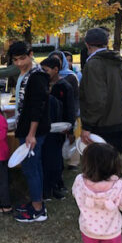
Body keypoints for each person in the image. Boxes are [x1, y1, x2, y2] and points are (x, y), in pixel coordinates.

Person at [8, 41, 50, 222]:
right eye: (15, 60)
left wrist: (31, 134)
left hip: (33, 130)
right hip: (24, 127)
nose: (18, 63)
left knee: (31, 168)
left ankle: (38, 210)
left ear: (31, 54)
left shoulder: (38, 76)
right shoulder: (25, 73)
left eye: (22, 59)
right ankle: (36, 201)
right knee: (33, 167)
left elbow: (37, 107)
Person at [80, 28, 122, 154]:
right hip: (121, 121)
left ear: (87, 44)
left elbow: (96, 99)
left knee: (102, 167)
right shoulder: (118, 61)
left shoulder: (94, 64)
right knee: (113, 163)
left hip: (103, 125)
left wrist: (87, 126)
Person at [41, 57, 75, 200]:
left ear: (56, 70)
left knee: (56, 159)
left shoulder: (65, 87)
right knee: (47, 159)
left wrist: (70, 129)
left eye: (46, 70)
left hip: (60, 129)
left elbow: (70, 109)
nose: (43, 73)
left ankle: (56, 185)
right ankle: (48, 186)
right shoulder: (43, 84)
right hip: (46, 128)